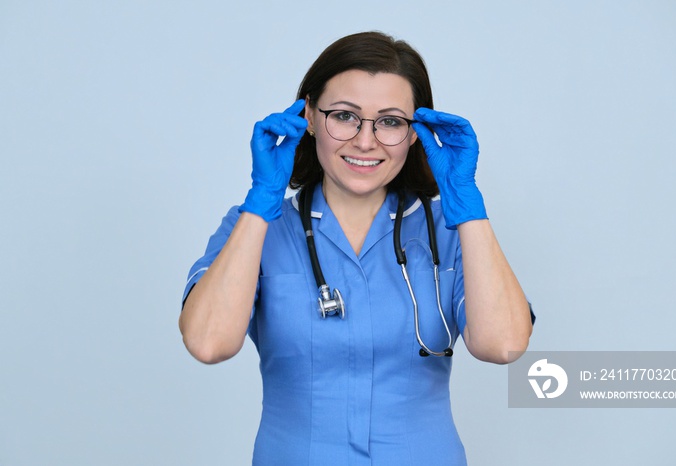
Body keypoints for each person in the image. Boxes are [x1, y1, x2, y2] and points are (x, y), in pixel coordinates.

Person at [179, 31, 534, 465]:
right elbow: (208, 343)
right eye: (345, 116)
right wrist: (261, 201)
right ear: (309, 116)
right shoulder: (253, 229)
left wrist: (466, 202)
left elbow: (504, 346)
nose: (365, 141)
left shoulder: (450, 231)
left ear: (415, 132)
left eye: (389, 121)